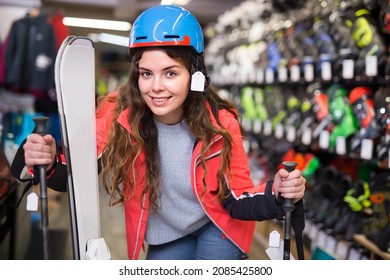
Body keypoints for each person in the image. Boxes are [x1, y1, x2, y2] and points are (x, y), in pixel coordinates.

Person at [11, 5, 306, 260]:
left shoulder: (219, 122)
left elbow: (238, 198)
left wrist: (276, 193)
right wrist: (47, 159)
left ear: (195, 74)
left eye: (171, 73)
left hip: (219, 225)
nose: (156, 87)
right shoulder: (118, 112)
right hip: (167, 232)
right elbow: (78, 172)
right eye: (146, 74)